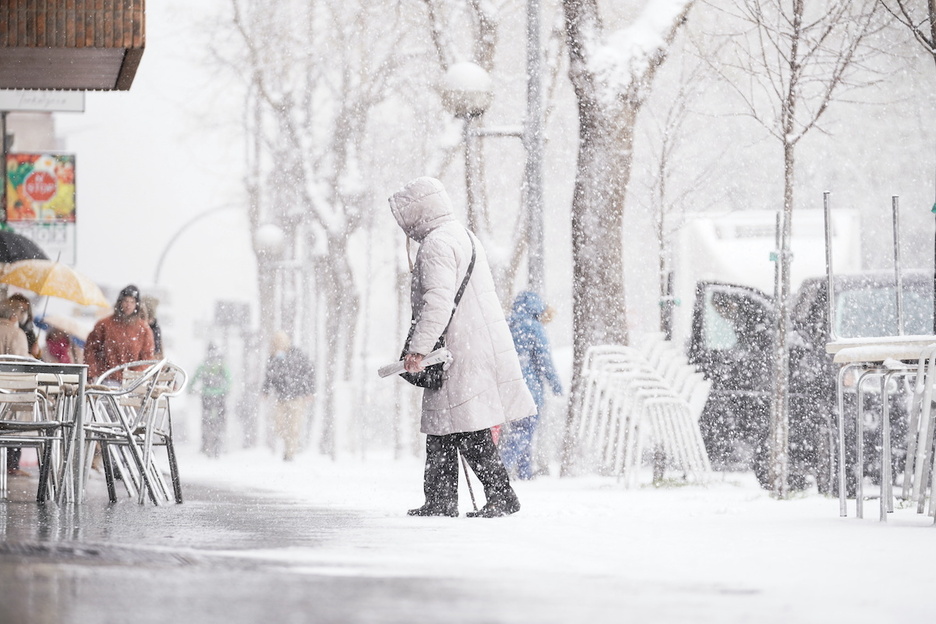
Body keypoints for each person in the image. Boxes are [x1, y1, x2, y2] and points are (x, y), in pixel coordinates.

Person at [389, 176, 536, 518]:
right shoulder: (461, 235)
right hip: (471, 343)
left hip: (457, 348)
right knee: (446, 425)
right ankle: (441, 499)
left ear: (418, 211)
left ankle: (499, 495)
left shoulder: (437, 244)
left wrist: (418, 349)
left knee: (467, 427)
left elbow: (437, 302)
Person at [84, 284, 155, 383]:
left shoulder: (143, 329)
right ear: (120, 302)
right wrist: (91, 373)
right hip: (107, 379)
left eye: (132, 302)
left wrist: (134, 375)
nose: (128, 305)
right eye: (126, 301)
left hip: (132, 383)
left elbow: (147, 357)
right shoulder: (104, 325)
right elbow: (91, 349)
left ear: (136, 305)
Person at [262, 331, 314, 461]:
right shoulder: (273, 357)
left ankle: (290, 452)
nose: (279, 344)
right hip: (281, 397)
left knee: (294, 426)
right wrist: (265, 390)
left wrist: (309, 391)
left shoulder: (297, 355)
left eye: (281, 341)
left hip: (297, 396)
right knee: (279, 426)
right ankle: (288, 444)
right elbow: (269, 376)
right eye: (277, 341)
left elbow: (308, 371)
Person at [0, 297, 31, 477]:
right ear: (14, 315)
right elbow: (22, 365)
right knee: (15, 423)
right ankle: (12, 465)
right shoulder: (16, 333)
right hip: (8, 393)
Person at [190, 343, 232, 458]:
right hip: (220, 396)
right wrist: (226, 389)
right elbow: (229, 379)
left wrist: (190, 389)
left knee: (206, 420)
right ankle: (220, 444)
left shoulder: (204, 365)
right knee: (221, 420)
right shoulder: (221, 365)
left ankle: (206, 444)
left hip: (206, 396)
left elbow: (195, 378)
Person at [8, 292, 40, 359]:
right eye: (21, 310)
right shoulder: (5, 327)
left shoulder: (29, 331)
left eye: (25, 310)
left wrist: (36, 353)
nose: (23, 314)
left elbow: (33, 358)